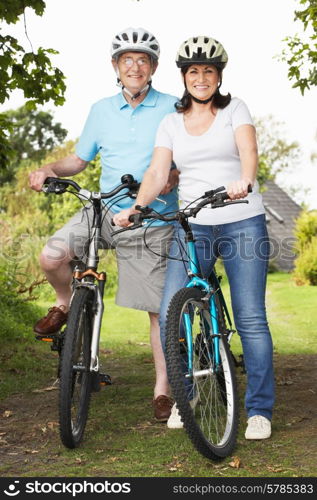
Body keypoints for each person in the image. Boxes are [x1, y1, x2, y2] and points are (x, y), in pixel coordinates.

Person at [113, 36, 275, 440]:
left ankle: (259, 409)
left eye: (208, 71)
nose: (200, 78)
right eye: (193, 71)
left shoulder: (235, 109)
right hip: (192, 225)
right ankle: (187, 399)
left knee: (251, 318)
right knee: (173, 310)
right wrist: (136, 207)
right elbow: (156, 173)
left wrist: (246, 180)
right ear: (184, 77)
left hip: (241, 220)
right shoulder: (170, 121)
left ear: (218, 76)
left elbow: (248, 150)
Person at [29, 27, 179, 423]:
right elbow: (78, 161)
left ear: (153, 67)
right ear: (116, 66)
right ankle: (65, 302)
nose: (134, 66)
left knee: (156, 309)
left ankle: (162, 390)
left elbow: (184, 157)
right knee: (52, 255)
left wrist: (175, 175)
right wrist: (48, 168)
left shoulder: (173, 106)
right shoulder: (101, 109)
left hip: (150, 217)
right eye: (127, 60)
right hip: (103, 209)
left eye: (142, 60)